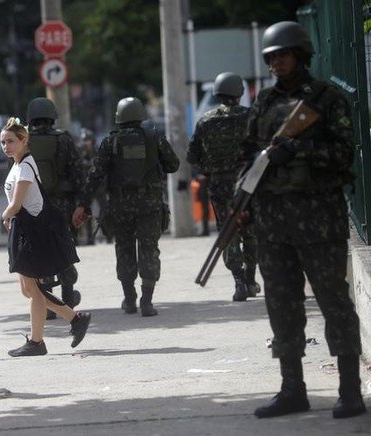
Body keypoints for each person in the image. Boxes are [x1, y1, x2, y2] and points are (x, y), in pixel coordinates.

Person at [239, 21, 366, 419]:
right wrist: (240, 201)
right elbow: (248, 157)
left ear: (302, 55)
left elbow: (345, 154)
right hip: (273, 224)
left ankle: (349, 389)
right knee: (281, 305)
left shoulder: (327, 99)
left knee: (334, 302)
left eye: (284, 54)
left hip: (318, 220)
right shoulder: (261, 104)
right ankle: (292, 388)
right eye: (271, 57)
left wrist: (298, 149)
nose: (277, 62)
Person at [72, 97, 179, 317]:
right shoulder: (153, 137)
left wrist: (83, 203)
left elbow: (95, 175)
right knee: (149, 249)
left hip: (120, 206)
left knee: (124, 249)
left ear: (119, 117)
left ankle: (130, 300)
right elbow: (173, 165)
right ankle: (147, 302)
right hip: (149, 205)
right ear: (141, 115)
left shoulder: (110, 142)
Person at [0, 117, 91, 357]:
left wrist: (5, 214)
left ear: (24, 140)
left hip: (33, 232)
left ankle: (38, 341)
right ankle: (74, 318)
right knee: (29, 290)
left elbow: (17, 203)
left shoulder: (26, 166)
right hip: (24, 230)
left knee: (33, 289)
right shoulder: (18, 165)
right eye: (2, 142)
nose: (6, 146)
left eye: (10, 141)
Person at [187, 71, 260, 302]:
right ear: (239, 92)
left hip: (220, 186)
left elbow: (192, 156)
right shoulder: (250, 117)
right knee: (250, 231)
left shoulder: (206, 121)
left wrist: (209, 169)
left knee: (228, 232)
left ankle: (238, 281)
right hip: (247, 184)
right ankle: (250, 278)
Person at [26, 97, 84, 316]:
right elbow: (78, 173)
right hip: (61, 207)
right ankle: (68, 296)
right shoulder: (64, 140)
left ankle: (49, 304)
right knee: (63, 250)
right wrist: (82, 203)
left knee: (41, 253)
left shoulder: (24, 142)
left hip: (34, 209)